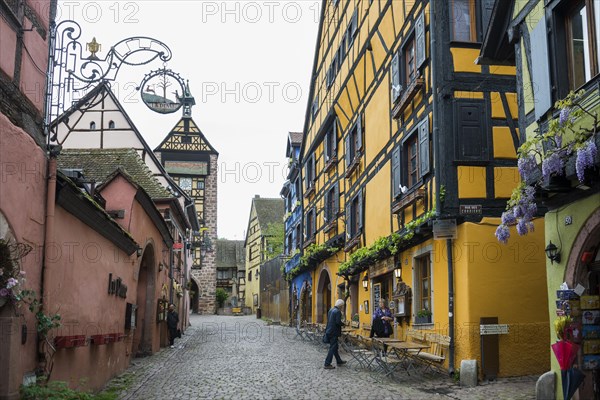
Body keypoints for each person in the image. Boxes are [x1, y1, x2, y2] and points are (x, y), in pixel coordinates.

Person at [323, 299, 347, 369]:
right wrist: (343, 323)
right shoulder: (337, 312)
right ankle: (327, 363)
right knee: (332, 347)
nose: (343, 307)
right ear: (341, 305)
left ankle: (339, 361)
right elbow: (338, 322)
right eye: (342, 306)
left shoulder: (331, 310)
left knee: (335, 347)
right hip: (334, 332)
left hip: (329, 331)